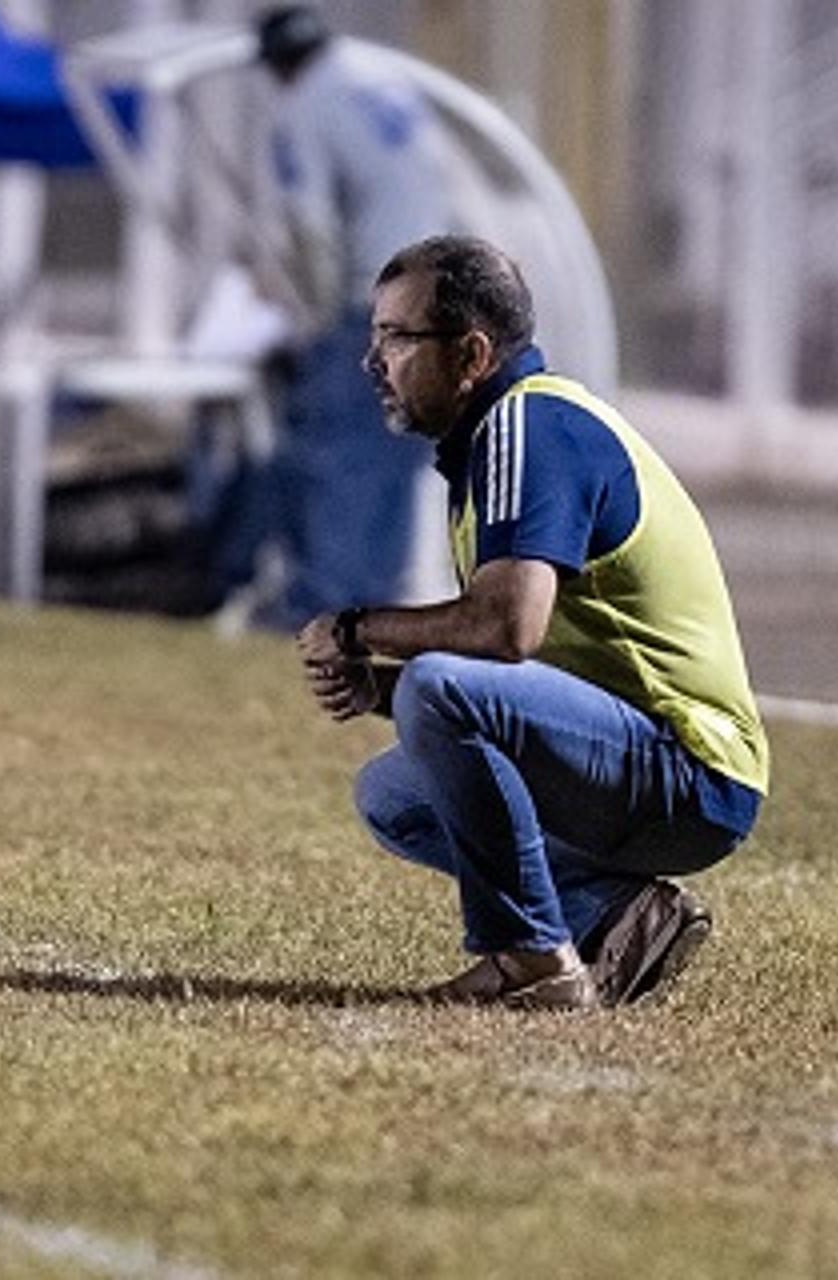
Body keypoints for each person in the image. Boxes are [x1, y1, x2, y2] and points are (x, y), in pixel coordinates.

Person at [296, 236, 770, 1011]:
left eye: (397, 337)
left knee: (441, 686)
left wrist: (357, 630)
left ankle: (534, 962)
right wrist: (384, 689)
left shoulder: (529, 426)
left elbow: (507, 629)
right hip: (633, 758)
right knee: (394, 795)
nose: (372, 361)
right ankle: (620, 916)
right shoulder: (496, 437)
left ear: (473, 353)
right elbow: (522, 668)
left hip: (693, 769)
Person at [240, 4, 457, 626]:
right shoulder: (382, 78)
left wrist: (316, 319)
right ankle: (377, 606)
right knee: (397, 460)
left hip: (378, 300)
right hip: (444, 297)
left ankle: (325, 607)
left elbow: (313, 232)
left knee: (337, 454)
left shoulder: (302, 106)